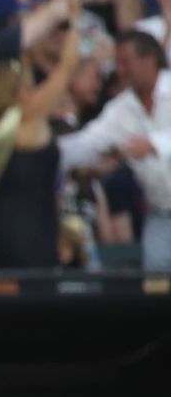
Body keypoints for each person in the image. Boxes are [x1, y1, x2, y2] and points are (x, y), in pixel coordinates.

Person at [0, 0, 82, 269]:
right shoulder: (29, 115)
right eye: (25, 84)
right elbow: (66, 69)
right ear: (17, 93)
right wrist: (74, 20)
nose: (31, 88)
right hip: (31, 231)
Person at [58, 30, 171, 270]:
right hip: (161, 212)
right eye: (117, 64)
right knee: (155, 282)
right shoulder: (122, 109)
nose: (119, 71)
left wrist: (155, 144)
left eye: (125, 62)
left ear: (149, 59)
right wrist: (43, 150)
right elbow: (86, 144)